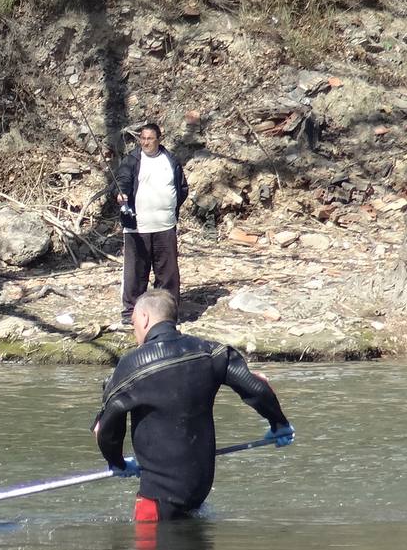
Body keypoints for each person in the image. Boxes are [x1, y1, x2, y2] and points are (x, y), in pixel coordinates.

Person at [93, 289, 292, 521]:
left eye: (134, 322)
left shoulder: (132, 366)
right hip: (199, 488)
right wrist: (279, 424)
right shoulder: (210, 351)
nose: (134, 329)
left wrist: (116, 462)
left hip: (156, 499)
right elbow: (257, 388)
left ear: (145, 318)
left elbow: (106, 429)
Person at [115, 122, 189, 325]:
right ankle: (131, 314)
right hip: (137, 226)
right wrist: (122, 194)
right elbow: (122, 180)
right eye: (143, 138)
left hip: (165, 225)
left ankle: (167, 314)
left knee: (168, 273)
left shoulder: (170, 160)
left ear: (158, 139)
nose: (145, 142)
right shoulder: (132, 159)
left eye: (150, 138)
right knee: (135, 273)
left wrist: (169, 209)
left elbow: (182, 189)